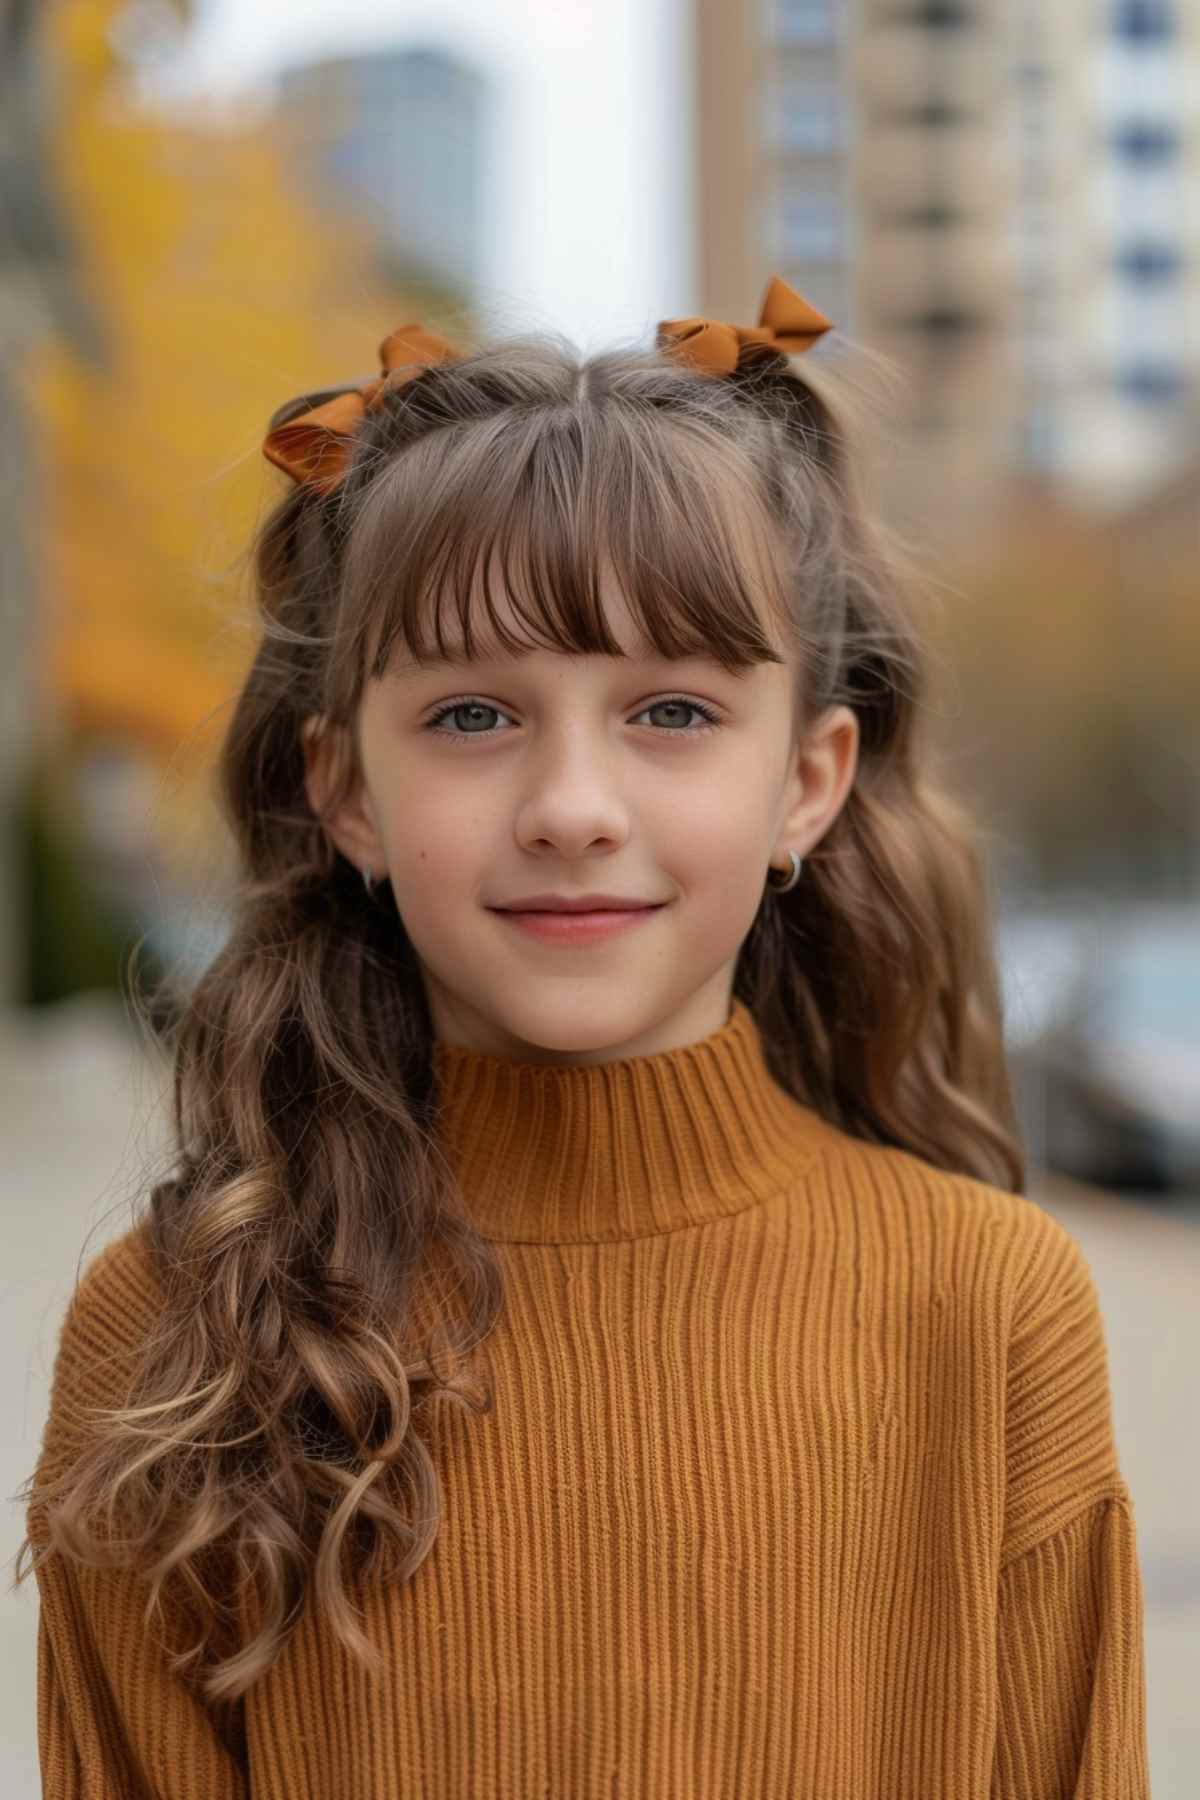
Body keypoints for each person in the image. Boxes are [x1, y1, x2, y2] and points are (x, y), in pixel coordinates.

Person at [14, 276, 1148, 1797]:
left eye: (670, 713)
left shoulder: (989, 1311)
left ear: (806, 782)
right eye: (474, 716)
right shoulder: (175, 1333)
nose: (570, 808)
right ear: (347, 791)